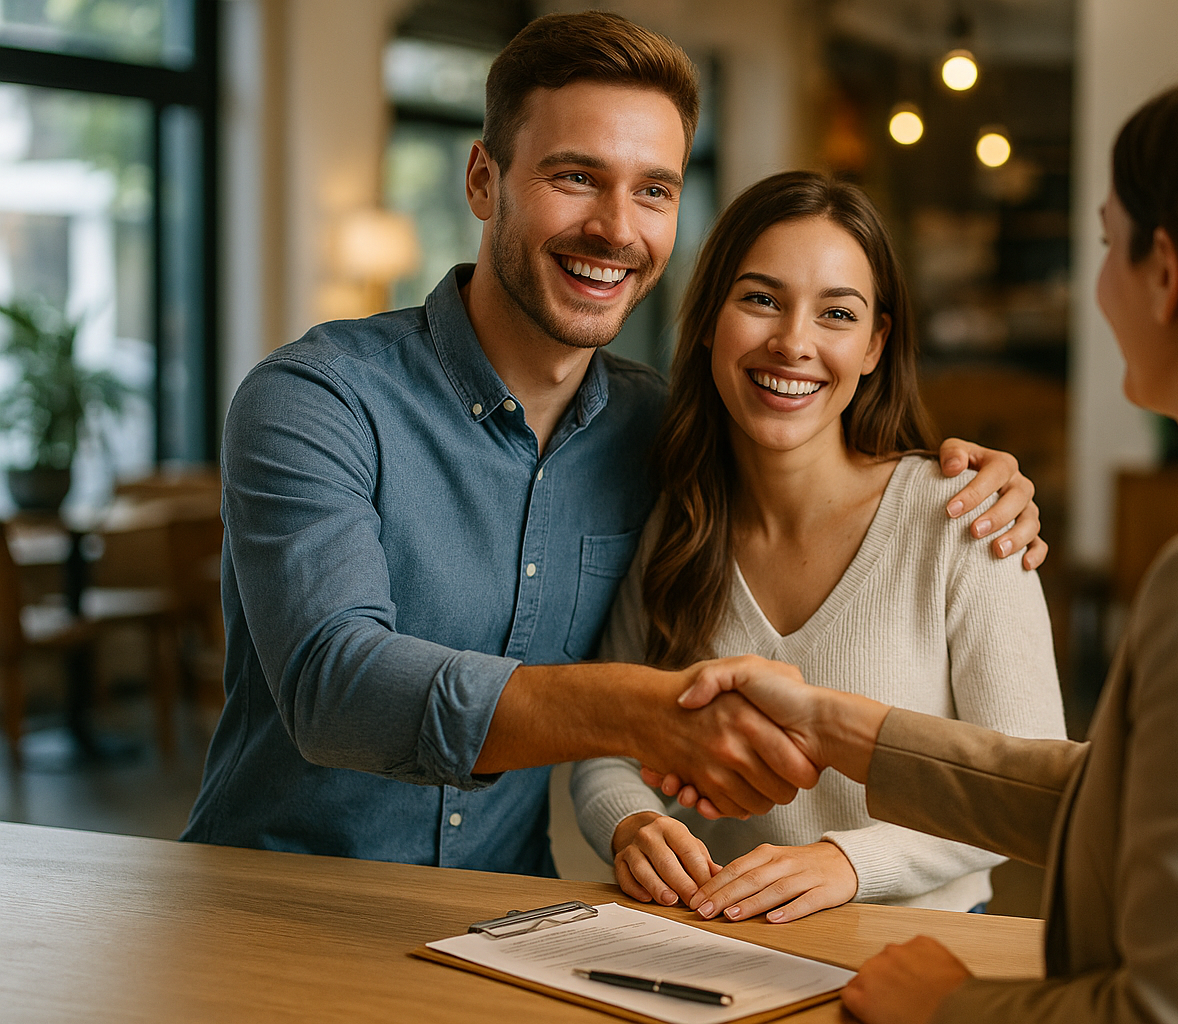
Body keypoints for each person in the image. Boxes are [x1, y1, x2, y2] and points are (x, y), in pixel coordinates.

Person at [652, 60, 1178, 1024]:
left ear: (1167, 273)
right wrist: (830, 722)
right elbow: (1129, 799)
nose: (1097, 287)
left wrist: (952, 1006)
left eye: (1107, 244)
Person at [180, 11, 1045, 876]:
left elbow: (805, 441)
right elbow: (334, 688)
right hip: (279, 901)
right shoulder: (317, 397)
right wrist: (632, 711)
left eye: (655, 190)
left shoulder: (656, 433)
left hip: (499, 919)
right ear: (484, 180)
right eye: (576, 176)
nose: (616, 228)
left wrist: (973, 477)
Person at [570, 172, 1066, 923]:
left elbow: (1032, 791)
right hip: (720, 947)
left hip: (923, 950)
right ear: (708, 319)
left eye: (837, 313)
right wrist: (632, 824)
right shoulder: (675, 522)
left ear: (874, 346)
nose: (793, 343)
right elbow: (605, 740)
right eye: (762, 299)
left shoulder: (963, 518)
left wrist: (849, 863)